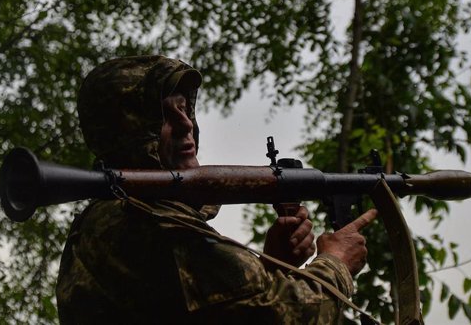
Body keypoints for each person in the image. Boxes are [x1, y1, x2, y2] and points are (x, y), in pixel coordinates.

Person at [56, 55, 377, 324]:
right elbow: (282, 317)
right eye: (164, 115)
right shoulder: (146, 222)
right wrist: (336, 262)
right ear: (128, 129)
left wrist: (271, 266)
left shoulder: (109, 218)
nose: (187, 125)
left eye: (186, 109)